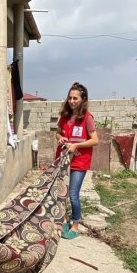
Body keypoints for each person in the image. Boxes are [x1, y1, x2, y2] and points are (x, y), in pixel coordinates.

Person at [55, 82, 99, 240]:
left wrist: (77, 145)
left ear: (83, 99)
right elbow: (57, 134)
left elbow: (95, 140)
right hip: (63, 159)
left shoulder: (87, 118)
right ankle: (64, 220)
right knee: (61, 193)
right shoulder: (64, 115)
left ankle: (75, 225)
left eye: (75, 98)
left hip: (80, 161)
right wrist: (61, 139)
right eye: (70, 98)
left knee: (73, 194)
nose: (72, 101)